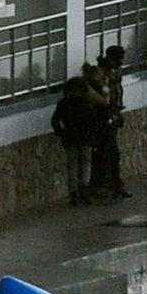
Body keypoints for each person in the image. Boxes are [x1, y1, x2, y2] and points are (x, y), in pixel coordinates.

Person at [50, 65, 99, 206]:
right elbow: (93, 120)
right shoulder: (86, 103)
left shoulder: (63, 103)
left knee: (72, 166)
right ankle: (84, 189)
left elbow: (55, 121)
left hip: (70, 137)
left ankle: (74, 194)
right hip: (85, 137)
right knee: (85, 164)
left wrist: (61, 132)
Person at [85, 52, 128, 202]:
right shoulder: (94, 89)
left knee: (112, 156)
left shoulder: (109, 82)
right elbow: (105, 102)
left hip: (107, 123)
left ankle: (116, 185)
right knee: (103, 157)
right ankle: (105, 187)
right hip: (101, 126)